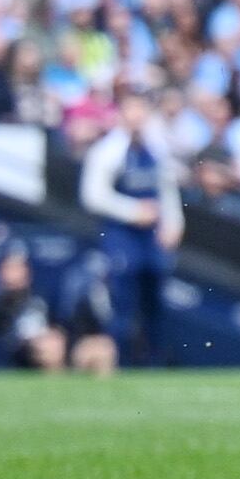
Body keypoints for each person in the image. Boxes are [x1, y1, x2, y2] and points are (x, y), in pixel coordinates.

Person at [76, 87, 183, 367]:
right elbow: (93, 195)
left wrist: (173, 223)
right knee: (122, 306)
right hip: (122, 236)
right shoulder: (108, 151)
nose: (136, 116)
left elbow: (167, 188)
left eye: (141, 109)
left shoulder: (156, 147)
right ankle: (121, 364)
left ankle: (155, 365)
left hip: (152, 238)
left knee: (156, 306)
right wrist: (132, 211)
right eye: (131, 109)